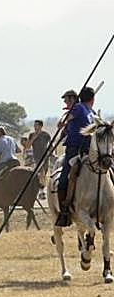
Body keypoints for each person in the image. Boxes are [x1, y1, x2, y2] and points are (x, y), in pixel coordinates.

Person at [55, 87, 95, 227]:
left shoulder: (77, 108)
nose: (65, 102)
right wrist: (65, 128)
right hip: (89, 148)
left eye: (67, 99)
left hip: (76, 149)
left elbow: (66, 118)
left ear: (72, 99)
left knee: (63, 180)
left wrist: (62, 123)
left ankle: (64, 211)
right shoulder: (90, 111)